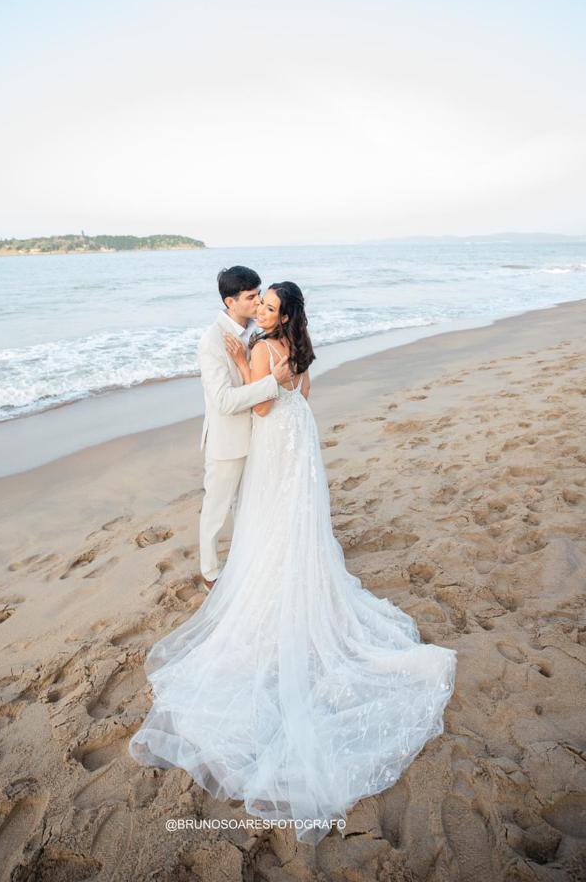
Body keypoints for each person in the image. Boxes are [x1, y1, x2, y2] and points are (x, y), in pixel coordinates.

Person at [128, 280, 458, 846]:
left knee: (270, 518)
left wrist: (251, 367)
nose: (261, 310)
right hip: (299, 435)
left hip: (275, 436)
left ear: (282, 315)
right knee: (295, 517)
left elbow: (261, 404)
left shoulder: (261, 346)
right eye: (258, 303)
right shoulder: (299, 343)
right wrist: (270, 375)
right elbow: (301, 391)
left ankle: (267, 585)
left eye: (269, 306)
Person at [195, 266, 292, 591]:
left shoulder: (257, 329)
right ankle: (209, 573)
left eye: (259, 295)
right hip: (228, 440)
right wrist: (271, 384)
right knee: (217, 509)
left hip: (261, 434)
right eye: (251, 297)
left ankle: (246, 562)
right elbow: (223, 401)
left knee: (250, 506)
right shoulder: (212, 341)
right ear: (230, 301)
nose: (258, 302)